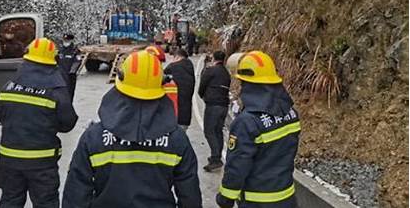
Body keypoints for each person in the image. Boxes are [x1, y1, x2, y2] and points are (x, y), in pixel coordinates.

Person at [62, 50, 202, 208]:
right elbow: (190, 198)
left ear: (120, 83)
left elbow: (75, 197)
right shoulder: (177, 140)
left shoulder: (94, 137)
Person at [0, 38, 78, 208]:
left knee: (10, 201)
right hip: (42, 163)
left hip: (9, 160)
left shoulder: (8, 86)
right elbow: (68, 122)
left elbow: (2, 116)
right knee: (45, 203)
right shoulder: (56, 89)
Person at [216, 51, 300, 208]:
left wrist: (226, 197)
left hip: (258, 202)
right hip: (287, 197)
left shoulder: (247, 122)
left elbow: (237, 165)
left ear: (247, 84)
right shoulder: (291, 113)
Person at [198, 50, 231, 172]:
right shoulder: (226, 73)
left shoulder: (211, 71)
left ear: (213, 58)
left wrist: (203, 96)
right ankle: (215, 156)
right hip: (224, 105)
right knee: (218, 131)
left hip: (213, 105)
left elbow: (201, 86)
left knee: (209, 131)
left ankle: (216, 158)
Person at [164, 48, 195, 131]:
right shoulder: (190, 69)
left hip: (172, 114)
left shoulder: (172, 67)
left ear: (177, 57)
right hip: (186, 116)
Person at [56, 33, 81, 100]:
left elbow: (77, 61)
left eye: (67, 41)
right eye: (65, 40)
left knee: (69, 94)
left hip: (70, 76)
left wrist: (72, 71)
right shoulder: (60, 49)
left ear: (71, 41)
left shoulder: (74, 50)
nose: (66, 42)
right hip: (60, 75)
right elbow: (55, 59)